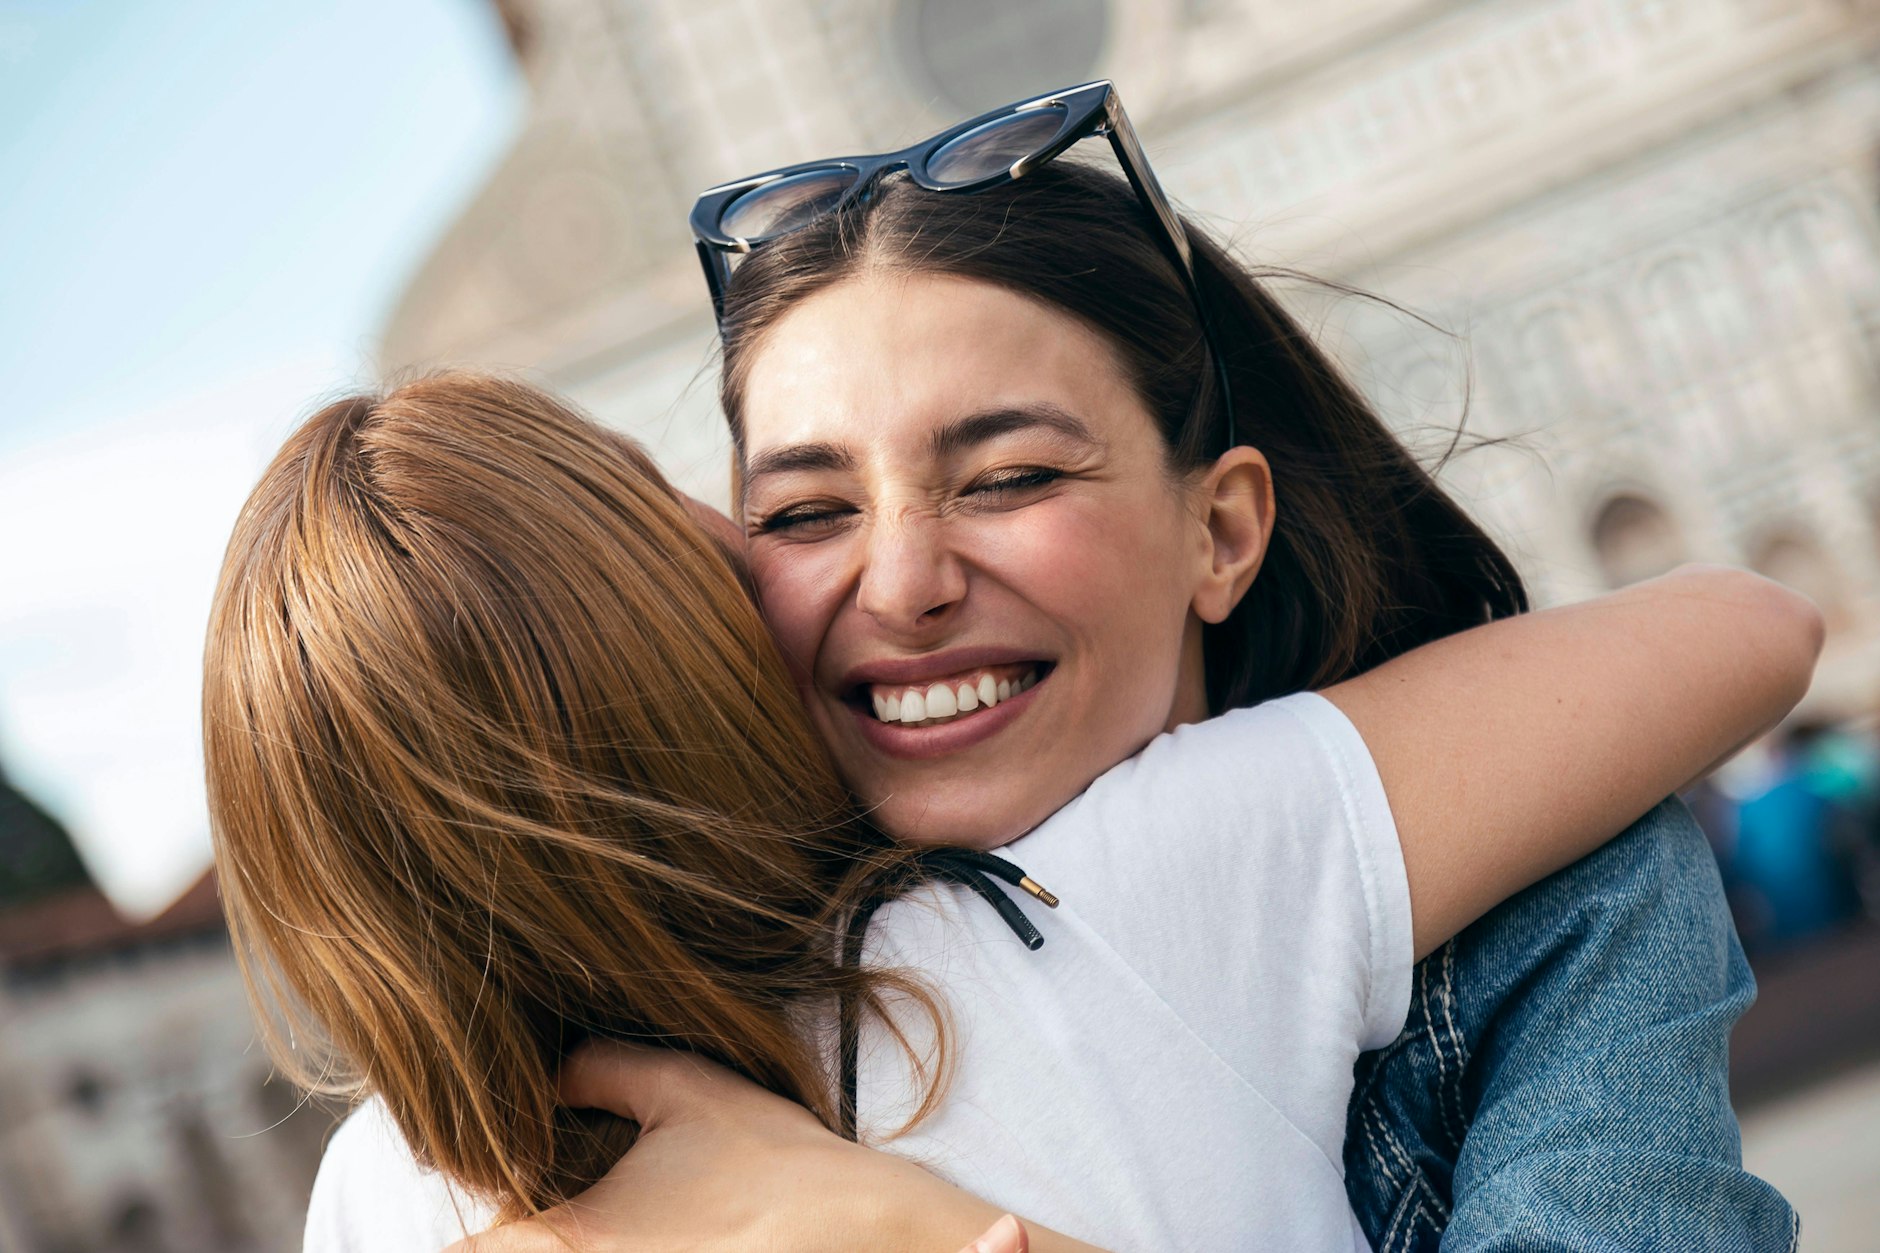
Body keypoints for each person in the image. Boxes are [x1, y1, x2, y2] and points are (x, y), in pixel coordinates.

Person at [233, 84, 1808, 1248]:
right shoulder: (1093, 919)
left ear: (1223, 528)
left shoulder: (384, 1191)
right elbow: (1749, 627)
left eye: (1009, 477)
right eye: (798, 511)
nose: (905, 580)